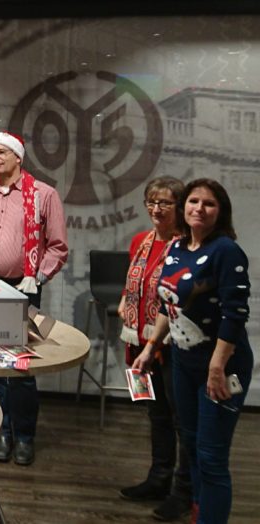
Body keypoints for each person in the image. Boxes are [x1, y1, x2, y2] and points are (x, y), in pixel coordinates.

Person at [133, 178, 252, 524]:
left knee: (212, 457)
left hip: (221, 367)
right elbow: (167, 306)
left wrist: (217, 366)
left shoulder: (226, 251)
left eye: (209, 204)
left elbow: (235, 314)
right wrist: (151, 347)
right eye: (194, 201)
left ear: (221, 211)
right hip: (183, 363)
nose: (199, 208)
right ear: (184, 207)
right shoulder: (177, 247)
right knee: (192, 445)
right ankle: (198, 511)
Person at [0, 131, 68, 466]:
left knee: (20, 366)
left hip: (24, 286)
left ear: (18, 157)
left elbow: (58, 245)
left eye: (1, 152)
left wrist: (39, 276)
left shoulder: (44, 195)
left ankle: (24, 435)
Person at [116, 177, 193, 521]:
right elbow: (136, 280)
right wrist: (124, 301)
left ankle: (183, 491)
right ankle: (158, 477)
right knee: (155, 412)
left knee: (180, 419)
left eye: (165, 203)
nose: (157, 210)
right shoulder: (140, 241)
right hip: (138, 342)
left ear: (179, 208)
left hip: (171, 345)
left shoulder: (187, 246)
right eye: (152, 202)